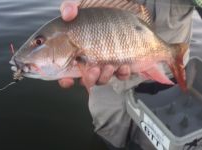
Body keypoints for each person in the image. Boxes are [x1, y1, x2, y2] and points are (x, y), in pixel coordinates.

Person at [58, 0, 196, 149]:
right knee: (109, 134)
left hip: (163, 75)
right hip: (108, 83)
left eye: (39, 42)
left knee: (155, 137)